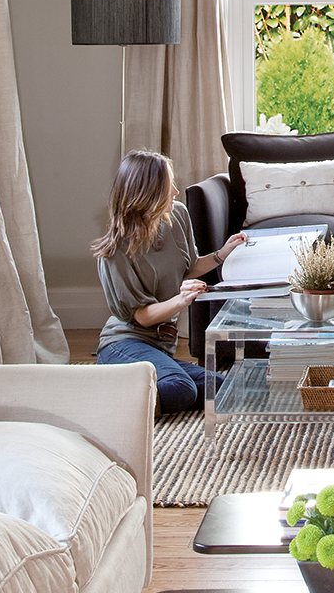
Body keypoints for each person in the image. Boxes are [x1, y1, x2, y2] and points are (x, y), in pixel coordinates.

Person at [93, 149, 248, 413]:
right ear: (148, 193)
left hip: (159, 347)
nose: (176, 192)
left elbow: (190, 267)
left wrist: (223, 254)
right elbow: (141, 317)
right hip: (124, 344)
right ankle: (106, 405)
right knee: (180, 387)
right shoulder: (115, 252)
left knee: (224, 386)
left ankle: (145, 388)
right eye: (168, 186)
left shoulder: (177, 215)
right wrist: (181, 300)